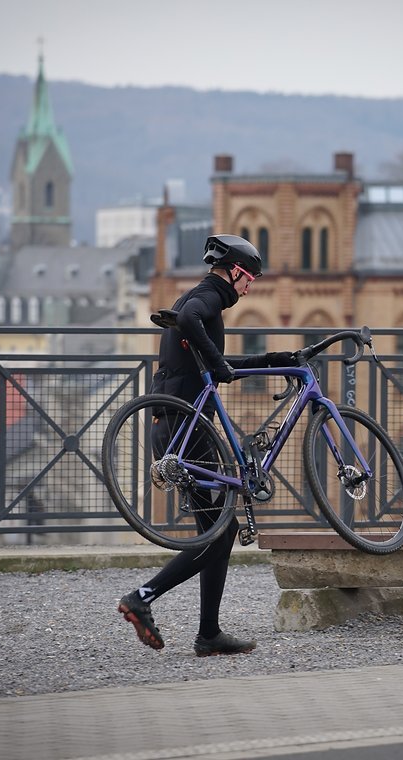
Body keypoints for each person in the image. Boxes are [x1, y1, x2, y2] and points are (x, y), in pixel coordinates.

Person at [117, 234, 297, 656]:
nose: (249, 286)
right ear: (234, 272)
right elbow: (193, 323)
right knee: (219, 534)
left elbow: (222, 362)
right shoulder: (208, 297)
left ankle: (209, 634)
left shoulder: (199, 296)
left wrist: (279, 359)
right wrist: (218, 364)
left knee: (219, 531)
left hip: (175, 424)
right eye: (249, 278)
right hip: (188, 428)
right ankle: (142, 598)